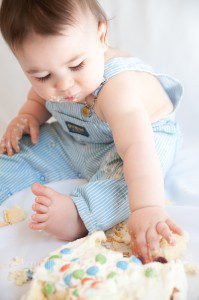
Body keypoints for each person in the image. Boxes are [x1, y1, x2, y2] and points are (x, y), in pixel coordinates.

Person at [0, 0, 183, 263]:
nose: (63, 85)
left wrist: (147, 207)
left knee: (128, 181)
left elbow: (136, 150)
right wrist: (27, 115)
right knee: (25, 144)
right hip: (81, 137)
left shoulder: (117, 89)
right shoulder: (60, 81)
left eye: (76, 66)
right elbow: (40, 100)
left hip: (141, 140)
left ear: (101, 36)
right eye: (42, 76)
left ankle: (78, 214)